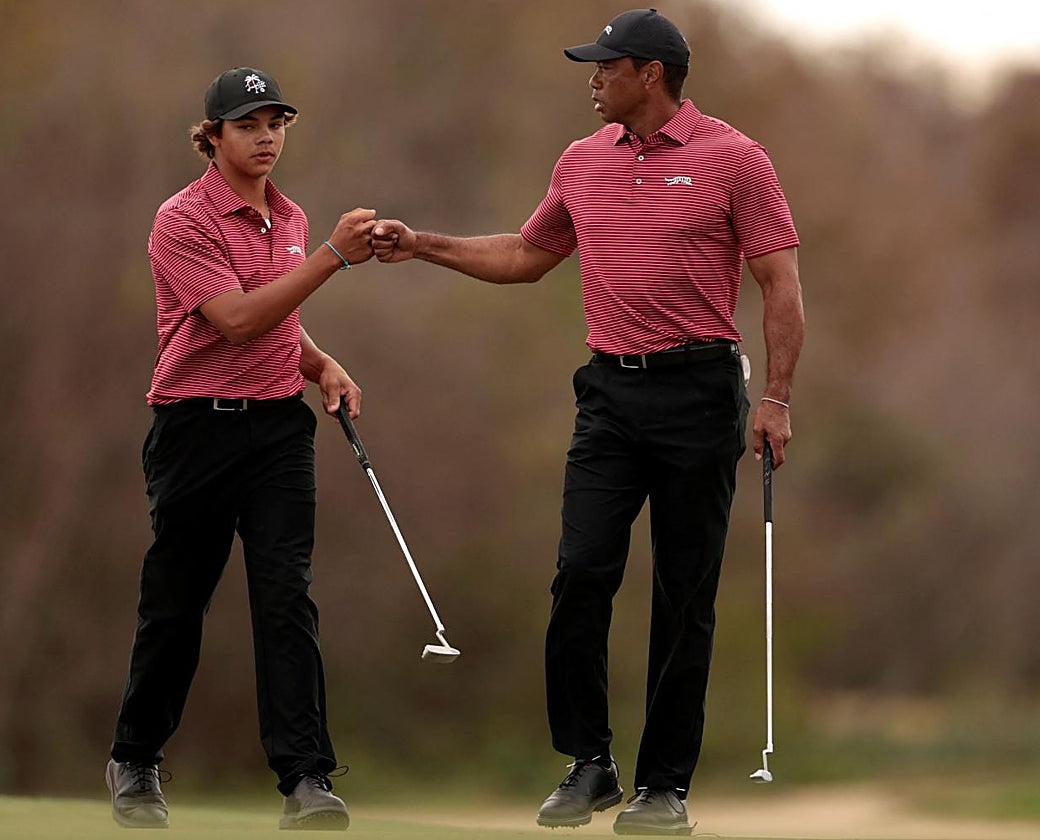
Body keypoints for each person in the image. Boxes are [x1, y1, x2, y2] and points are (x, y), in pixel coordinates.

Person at [371, 9, 804, 835]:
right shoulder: (581, 162)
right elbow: (529, 257)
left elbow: (780, 285)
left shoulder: (735, 159)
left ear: (650, 73)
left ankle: (663, 787)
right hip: (609, 394)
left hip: (700, 394)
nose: (592, 79)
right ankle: (589, 762)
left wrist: (777, 399)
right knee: (580, 574)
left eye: (605, 67)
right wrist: (421, 243)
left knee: (685, 595)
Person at [105, 66, 375, 831]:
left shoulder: (288, 218)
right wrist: (333, 256)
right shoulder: (180, 219)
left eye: (277, 123)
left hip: (276, 432)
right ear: (212, 135)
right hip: (195, 427)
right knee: (177, 604)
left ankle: (306, 779)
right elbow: (237, 320)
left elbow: (279, 324)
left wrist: (321, 364)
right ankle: (136, 759)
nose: (267, 137)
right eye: (250, 124)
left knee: (286, 598)